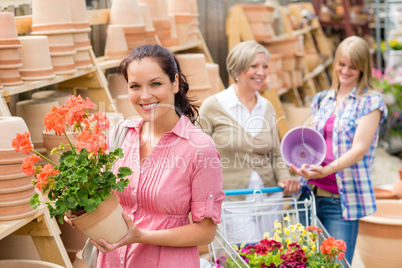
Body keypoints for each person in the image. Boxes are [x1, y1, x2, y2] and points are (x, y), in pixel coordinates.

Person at [65, 44, 225, 267]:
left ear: (175, 83)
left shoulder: (199, 148)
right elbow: (101, 197)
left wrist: (141, 236)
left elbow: (206, 232)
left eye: (155, 84)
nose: (145, 95)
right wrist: (82, 213)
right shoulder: (121, 134)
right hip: (112, 261)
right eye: (135, 86)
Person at [290, 36, 388, 264]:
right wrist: (297, 163)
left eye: (353, 67)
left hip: (340, 201)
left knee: (337, 264)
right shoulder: (322, 99)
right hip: (310, 195)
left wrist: (326, 171)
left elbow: (359, 149)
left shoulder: (370, 102)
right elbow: (313, 144)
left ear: (363, 68)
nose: (345, 71)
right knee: (307, 262)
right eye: (341, 64)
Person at [198, 40, 300, 243]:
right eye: (254, 66)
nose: (261, 72)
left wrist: (284, 178)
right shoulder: (213, 106)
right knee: (246, 257)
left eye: (264, 66)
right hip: (234, 200)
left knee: (271, 257)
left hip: (269, 197)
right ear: (237, 69)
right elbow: (198, 154)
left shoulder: (267, 107)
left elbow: (276, 154)